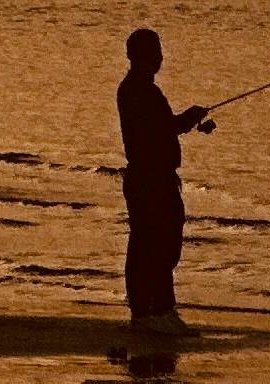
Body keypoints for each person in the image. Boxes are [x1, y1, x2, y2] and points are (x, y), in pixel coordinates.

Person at [117, 26, 214, 330]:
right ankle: (153, 309)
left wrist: (190, 120)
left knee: (149, 243)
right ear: (149, 56)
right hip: (153, 181)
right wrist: (191, 117)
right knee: (160, 244)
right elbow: (164, 128)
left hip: (146, 179)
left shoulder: (134, 88)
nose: (161, 56)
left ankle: (150, 307)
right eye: (157, 50)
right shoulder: (143, 91)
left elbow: (162, 127)